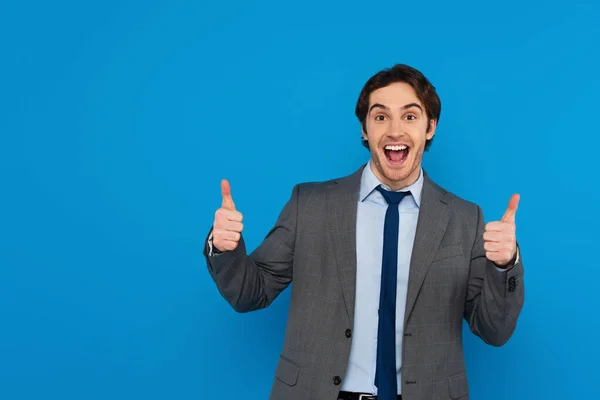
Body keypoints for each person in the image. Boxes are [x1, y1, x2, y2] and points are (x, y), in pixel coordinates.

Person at [203, 64, 525, 400]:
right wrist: (225, 249)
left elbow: (495, 330)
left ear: (430, 127)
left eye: (410, 117)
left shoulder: (464, 219)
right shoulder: (310, 204)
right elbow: (249, 293)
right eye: (381, 117)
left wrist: (505, 266)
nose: (395, 131)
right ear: (365, 129)